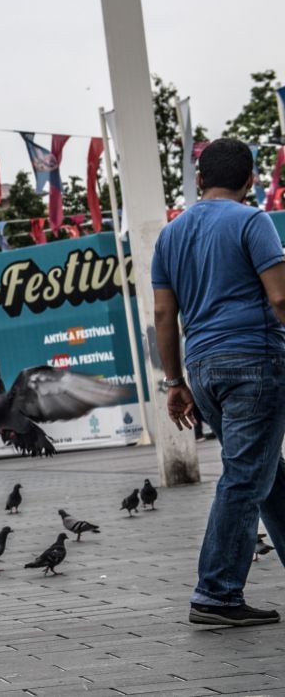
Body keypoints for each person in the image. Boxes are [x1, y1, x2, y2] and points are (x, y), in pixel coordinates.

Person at [152, 138, 285, 627]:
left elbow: (164, 313)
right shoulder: (253, 221)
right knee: (246, 476)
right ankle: (216, 593)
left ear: (201, 179)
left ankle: (220, 589)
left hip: (203, 368)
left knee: (264, 472)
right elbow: (281, 299)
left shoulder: (170, 235)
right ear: (251, 180)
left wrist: (173, 381)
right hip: (255, 359)